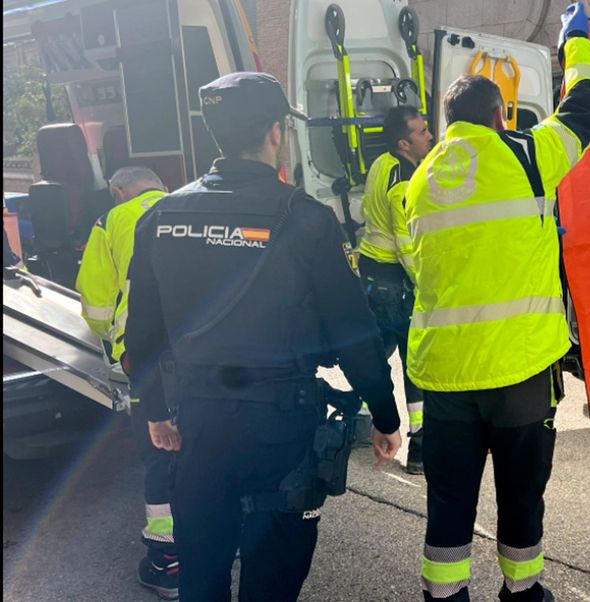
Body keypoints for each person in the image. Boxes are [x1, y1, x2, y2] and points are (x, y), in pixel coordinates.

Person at [124, 72, 401, 601]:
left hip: (198, 423)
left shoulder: (161, 216)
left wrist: (156, 410)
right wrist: (385, 416)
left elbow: (142, 331)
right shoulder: (306, 218)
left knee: (201, 572)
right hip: (282, 425)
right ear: (277, 131)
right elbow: (354, 332)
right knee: (273, 575)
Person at [404, 3, 590, 600]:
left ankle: (443, 594)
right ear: (500, 114)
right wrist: (577, 44)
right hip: (518, 372)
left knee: (449, 498)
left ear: (445, 123)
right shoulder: (525, 154)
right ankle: (523, 592)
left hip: (443, 374)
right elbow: (586, 108)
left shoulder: (420, 180)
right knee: (520, 494)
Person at [74, 166, 178, 598]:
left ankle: (167, 561)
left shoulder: (112, 220)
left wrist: (112, 344)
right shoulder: (190, 205)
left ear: (118, 192)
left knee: (161, 452)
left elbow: (96, 300)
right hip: (208, 353)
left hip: (149, 359)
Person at [357, 104, 434, 474]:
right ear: (405, 143)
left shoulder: (381, 164)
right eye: (422, 132)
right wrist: (429, 284)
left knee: (372, 356)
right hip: (395, 284)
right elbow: (407, 247)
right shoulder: (403, 183)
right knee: (415, 366)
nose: (430, 135)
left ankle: (354, 417)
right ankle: (420, 448)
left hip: (372, 276)